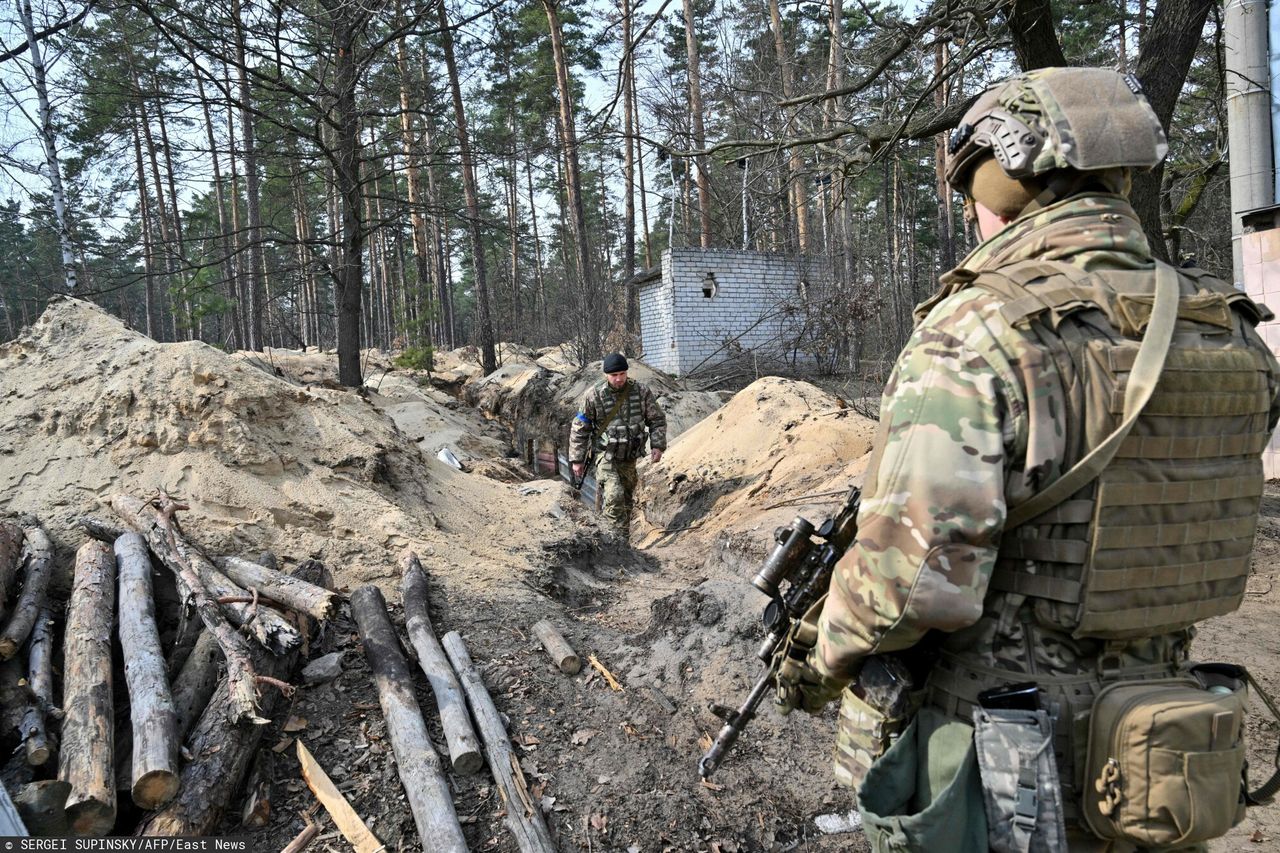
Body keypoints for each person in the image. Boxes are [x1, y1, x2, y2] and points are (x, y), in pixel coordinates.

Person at [774, 67, 1280, 852]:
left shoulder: (976, 333)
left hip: (1012, 765)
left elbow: (912, 586)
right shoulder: (1232, 333)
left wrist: (817, 660)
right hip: (1168, 754)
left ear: (998, 180)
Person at [568, 353, 667, 539]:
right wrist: (577, 460)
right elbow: (580, 428)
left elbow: (657, 420)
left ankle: (623, 543)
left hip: (630, 457)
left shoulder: (641, 392)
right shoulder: (593, 395)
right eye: (614, 375)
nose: (619, 378)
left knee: (627, 500)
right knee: (613, 495)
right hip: (605, 456)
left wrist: (658, 445)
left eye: (622, 373)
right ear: (606, 375)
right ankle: (614, 542)